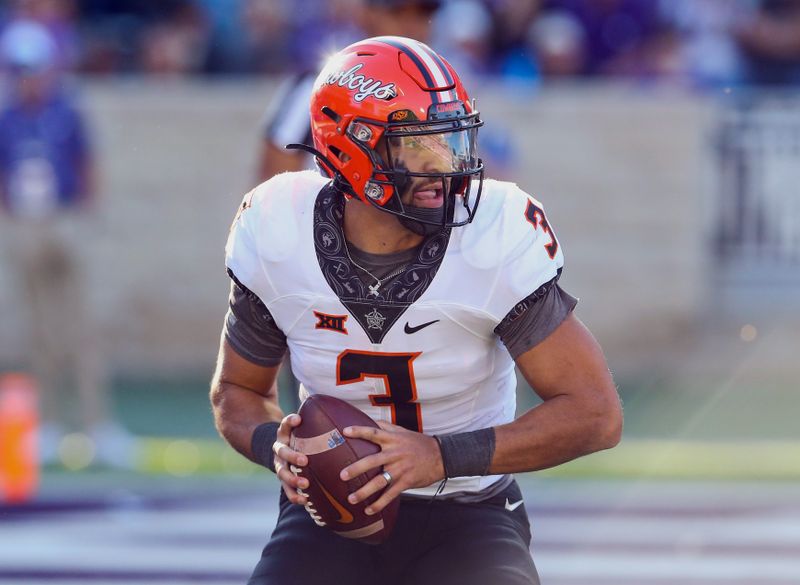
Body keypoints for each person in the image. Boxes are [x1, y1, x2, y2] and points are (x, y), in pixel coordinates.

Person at [211, 36, 622, 585]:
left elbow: (595, 413)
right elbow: (237, 391)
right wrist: (274, 447)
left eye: (451, 142)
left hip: (467, 513)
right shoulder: (277, 227)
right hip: (331, 515)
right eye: (419, 147)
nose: (446, 169)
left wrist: (438, 456)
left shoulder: (492, 236)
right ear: (353, 148)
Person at [0, 19, 133, 466]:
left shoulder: (67, 110)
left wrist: (86, 215)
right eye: (19, 69)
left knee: (83, 326)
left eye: (32, 68)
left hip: (66, 217)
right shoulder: (8, 116)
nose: (26, 78)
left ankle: (97, 424)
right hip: (27, 220)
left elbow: (87, 160)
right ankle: (50, 423)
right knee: (38, 329)